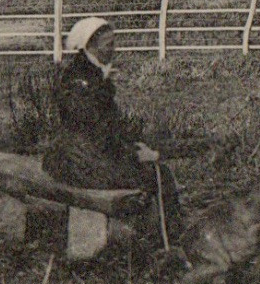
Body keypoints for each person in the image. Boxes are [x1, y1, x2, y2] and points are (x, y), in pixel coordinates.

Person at [43, 17, 182, 245]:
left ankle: (153, 237)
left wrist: (135, 145)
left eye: (114, 43)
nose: (114, 50)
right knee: (159, 175)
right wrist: (134, 154)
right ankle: (171, 242)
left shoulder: (88, 73)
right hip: (79, 162)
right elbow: (95, 130)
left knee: (149, 172)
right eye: (109, 44)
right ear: (91, 45)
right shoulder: (81, 80)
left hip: (80, 156)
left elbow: (107, 127)